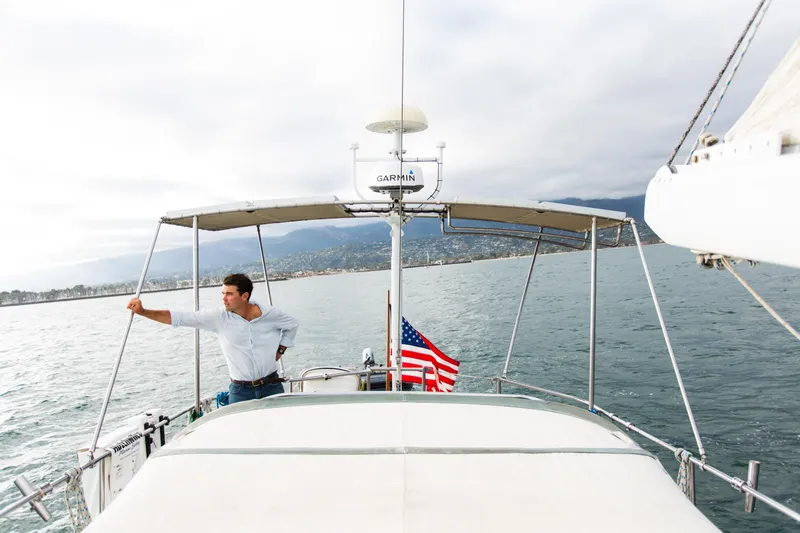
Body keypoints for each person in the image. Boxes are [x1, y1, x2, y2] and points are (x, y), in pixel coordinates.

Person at [126, 273, 299, 404]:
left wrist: (281, 349)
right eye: (223, 293)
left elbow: (292, 324)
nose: (224, 298)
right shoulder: (219, 318)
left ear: (244, 296)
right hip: (241, 391)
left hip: (272, 385)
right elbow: (179, 317)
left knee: (279, 430)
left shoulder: (270, 314)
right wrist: (143, 311)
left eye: (229, 294)